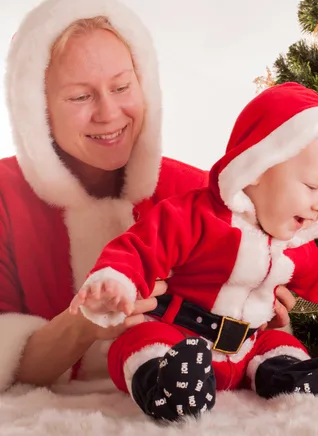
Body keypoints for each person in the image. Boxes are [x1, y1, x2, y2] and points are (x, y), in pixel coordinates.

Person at [71, 82, 318, 421]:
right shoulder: (195, 215)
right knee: (141, 342)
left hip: (248, 345)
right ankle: (167, 386)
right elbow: (139, 248)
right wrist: (114, 283)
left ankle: (289, 378)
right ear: (257, 168)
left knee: (278, 342)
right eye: (312, 186)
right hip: (180, 335)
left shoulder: (294, 247)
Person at [0, 0, 294, 393]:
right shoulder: (4, 198)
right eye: (79, 97)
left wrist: (254, 308)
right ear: (37, 110)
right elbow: (8, 367)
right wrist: (83, 324)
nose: (109, 113)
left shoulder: (203, 193)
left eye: (121, 87)